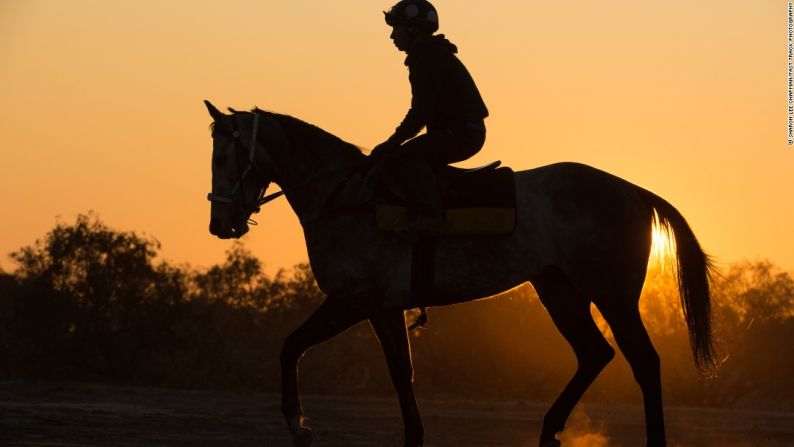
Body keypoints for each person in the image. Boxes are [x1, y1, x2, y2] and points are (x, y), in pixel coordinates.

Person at [371, 0, 489, 234]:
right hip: (458, 132)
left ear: (414, 29)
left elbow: (420, 113)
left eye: (397, 29)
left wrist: (391, 143)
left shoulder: (428, 58)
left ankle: (431, 215)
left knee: (403, 158)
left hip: (462, 134)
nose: (393, 36)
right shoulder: (427, 55)